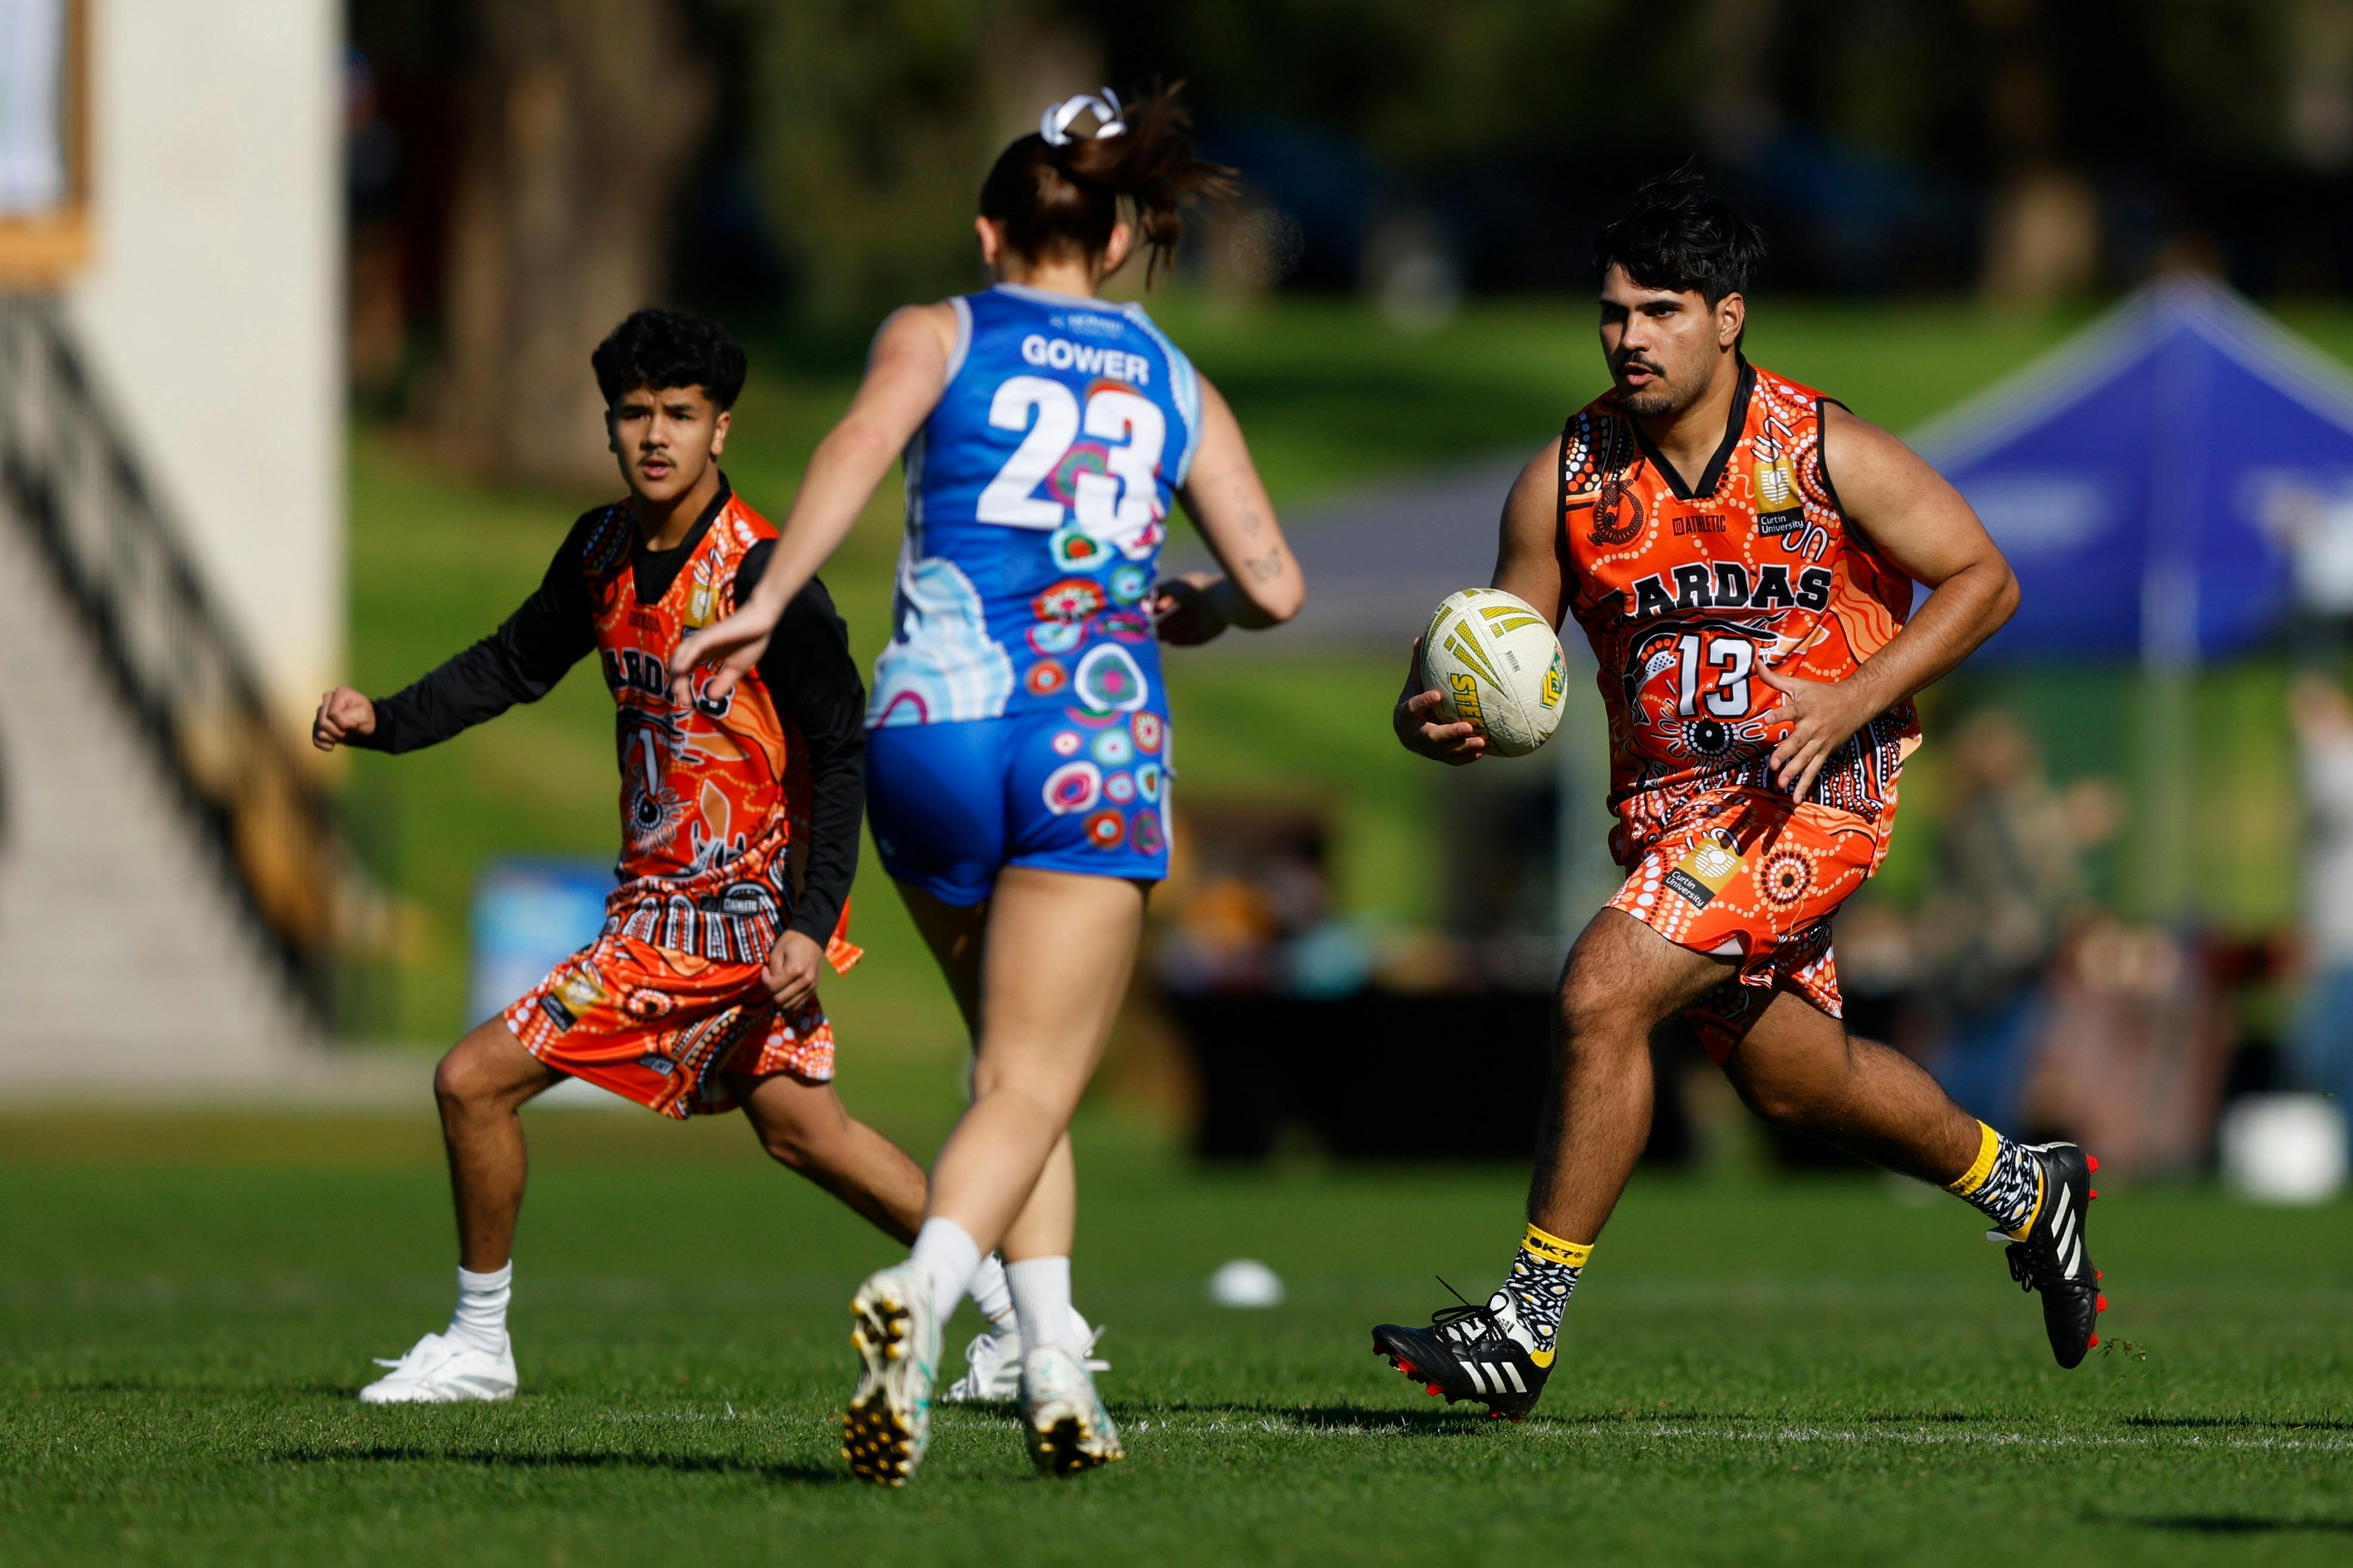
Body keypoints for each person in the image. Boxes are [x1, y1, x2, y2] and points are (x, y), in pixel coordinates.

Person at [1372, 172, 2104, 1420]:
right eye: (1610, 312)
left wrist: (1853, 696)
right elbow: (1496, 646)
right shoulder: (1563, 475)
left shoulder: (1821, 447)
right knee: (1792, 1082)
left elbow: (1982, 578)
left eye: (1658, 310)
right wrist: (1428, 714)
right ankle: (2022, 1189)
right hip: (1672, 818)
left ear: (1726, 315)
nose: (1628, 338)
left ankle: (1522, 1325)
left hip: (1811, 795)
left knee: (1597, 990)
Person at [668, 86, 1304, 1482]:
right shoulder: (1170, 376)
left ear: (988, 227)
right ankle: (927, 1293)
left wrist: (766, 597)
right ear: (1124, 237)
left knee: (1016, 1074)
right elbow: (1271, 580)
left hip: (931, 722)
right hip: (1087, 737)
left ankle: (1057, 1365)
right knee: (1029, 1074)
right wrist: (1195, 604)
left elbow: (850, 448)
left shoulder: (938, 329)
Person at [313, 308, 1093, 1404]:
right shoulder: (598, 551)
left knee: (469, 1084)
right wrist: (385, 721)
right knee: (805, 1134)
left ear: (721, 429)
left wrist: (810, 922)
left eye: (680, 414)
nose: (656, 436)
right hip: (662, 907)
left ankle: (480, 1341)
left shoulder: (763, 573)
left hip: (718, 924)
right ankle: (1021, 1317)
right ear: (611, 428)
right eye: (634, 414)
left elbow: (841, 747)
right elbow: (512, 664)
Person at [2287, 671, 2353, 1147]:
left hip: (2344, 943)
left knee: (2323, 1051)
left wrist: (2324, 734)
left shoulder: (2337, 759)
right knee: (2322, 1055)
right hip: (2332, 938)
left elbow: (2336, 797)